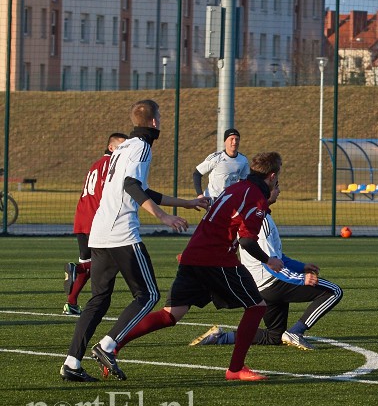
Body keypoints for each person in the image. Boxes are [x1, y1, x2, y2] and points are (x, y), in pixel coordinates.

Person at [61, 100, 209, 383]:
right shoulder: (141, 146)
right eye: (161, 116)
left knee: (98, 301)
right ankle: (107, 346)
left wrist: (186, 203)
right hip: (120, 231)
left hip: (100, 231)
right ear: (154, 122)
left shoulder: (124, 147)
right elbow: (132, 186)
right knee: (149, 295)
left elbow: (140, 187)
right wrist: (165, 217)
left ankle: (71, 363)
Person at [110, 152, 283, 382]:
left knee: (172, 314)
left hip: (194, 254)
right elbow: (247, 241)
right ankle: (235, 369)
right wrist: (269, 260)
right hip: (216, 259)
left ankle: (112, 345)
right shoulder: (254, 198)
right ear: (271, 176)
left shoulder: (236, 188)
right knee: (256, 307)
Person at [189, 177, 343, 350]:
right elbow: (269, 263)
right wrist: (301, 279)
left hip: (261, 287)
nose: (279, 191)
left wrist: (301, 267)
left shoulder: (257, 216)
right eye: (276, 187)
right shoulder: (260, 221)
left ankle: (221, 337)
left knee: (274, 336)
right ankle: (297, 332)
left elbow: (276, 258)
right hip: (272, 284)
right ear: (266, 191)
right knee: (333, 292)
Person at [62, 132, 129, 316]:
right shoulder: (110, 165)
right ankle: (78, 270)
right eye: (122, 146)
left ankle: (71, 303)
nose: (125, 150)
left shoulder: (95, 164)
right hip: (96, 220)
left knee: (90, 261)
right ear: (111, 147)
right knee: (108, 261)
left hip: (82, 217)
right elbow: (109, 194)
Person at [193, 128, 249, 201]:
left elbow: (243, 180)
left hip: (230, 199)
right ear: (225, 142)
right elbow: (197, 174)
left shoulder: (243, 160)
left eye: (237, 139)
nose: (234, 142)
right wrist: (200, 195)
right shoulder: (216, 158)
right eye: (231, 139)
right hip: (213, 198)